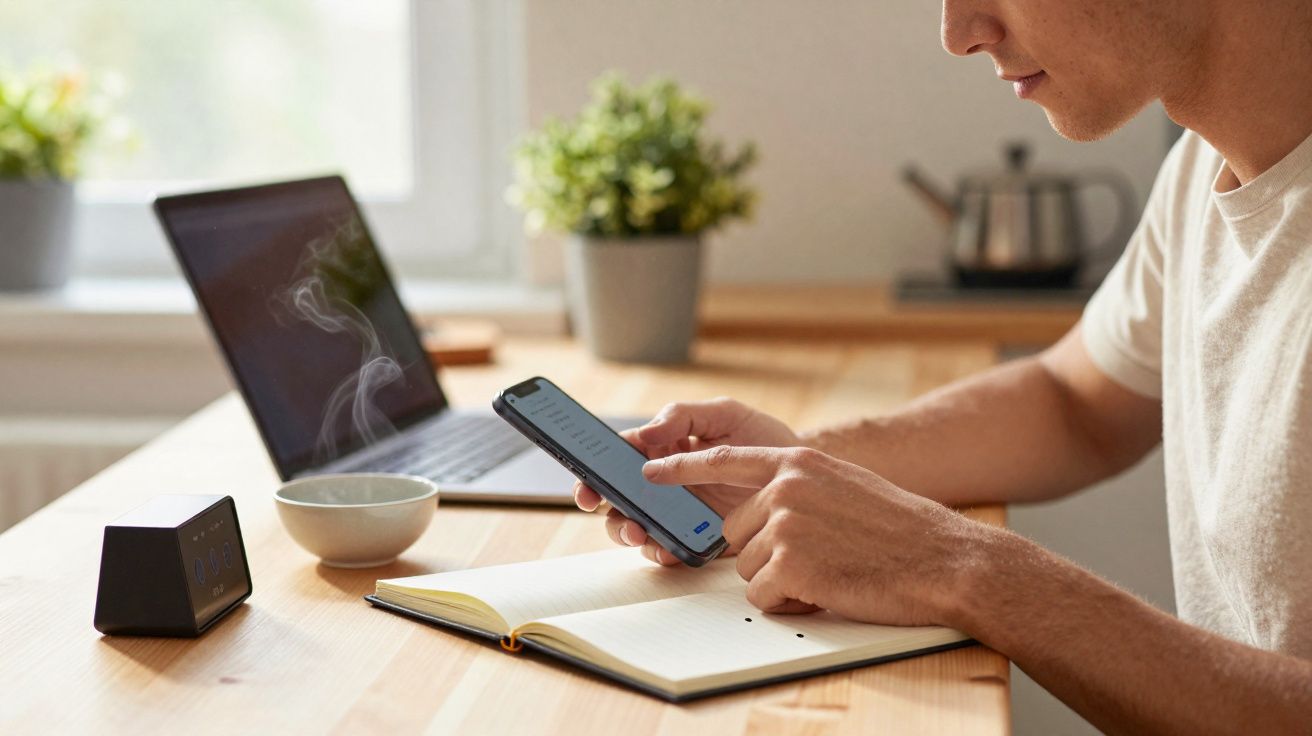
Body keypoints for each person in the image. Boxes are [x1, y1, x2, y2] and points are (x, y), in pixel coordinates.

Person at [572, 0, 1312, 731]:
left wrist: (962, 569)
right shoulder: (1203, 166)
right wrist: (792, 469)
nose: (959, 34)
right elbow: (1075, 402)